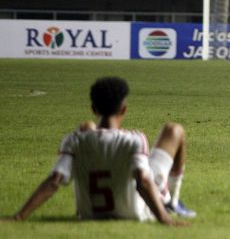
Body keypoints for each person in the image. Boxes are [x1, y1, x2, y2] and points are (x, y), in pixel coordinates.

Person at [6, 77, 195, 225]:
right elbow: (143, 181)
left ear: (93, 108)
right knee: (173, 130)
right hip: (138, 211)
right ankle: (172, 201)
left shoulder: (73, 140)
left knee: (86, 127)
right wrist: (164, 218)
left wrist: (19, 216)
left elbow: (54, 181)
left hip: (90, 213)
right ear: (124, 109)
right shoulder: (136, 139)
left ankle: (171, 201)